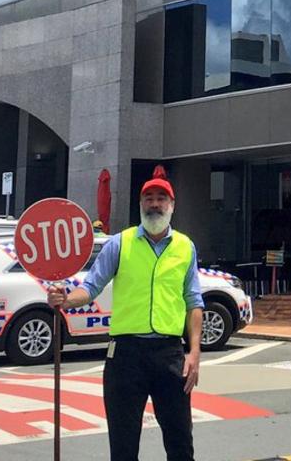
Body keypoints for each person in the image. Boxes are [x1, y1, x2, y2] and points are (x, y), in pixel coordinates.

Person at [47, 166, 204, 461]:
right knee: (123, 445)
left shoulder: (185, 247)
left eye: (161, 198)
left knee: (181, 442)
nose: (155, 204)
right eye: (149, 199)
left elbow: (193, 301)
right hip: (125, 356)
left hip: (170, 354)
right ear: (140, 205)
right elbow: (91, 287)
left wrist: (194, 352)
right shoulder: (120, 243)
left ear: (172, 206)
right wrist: (65, 300)